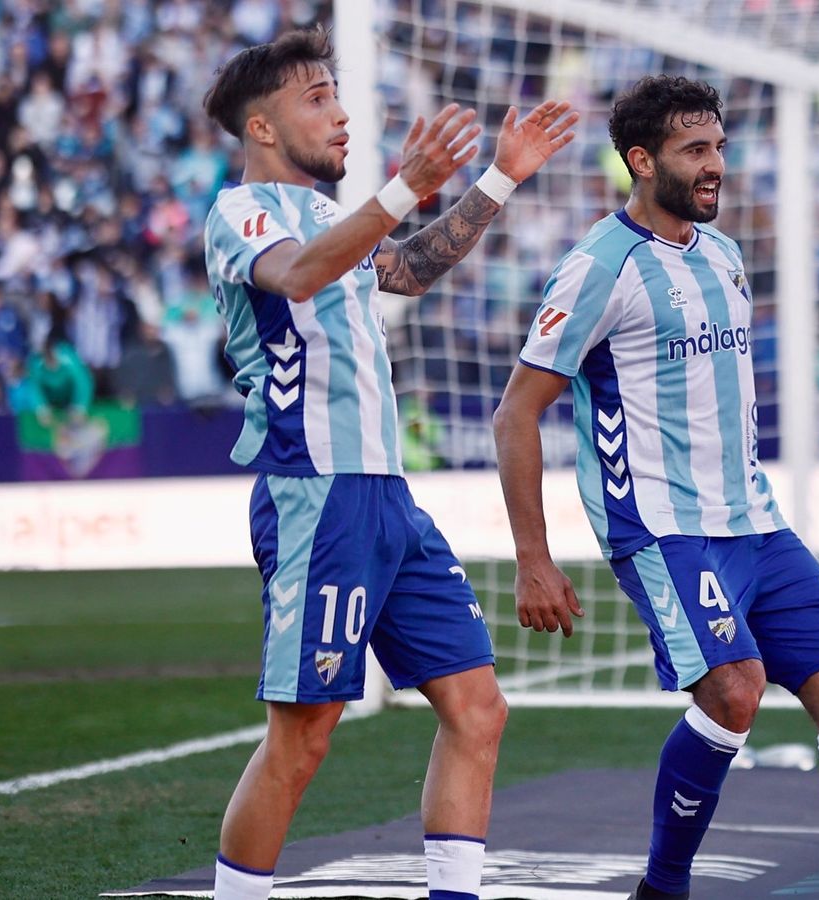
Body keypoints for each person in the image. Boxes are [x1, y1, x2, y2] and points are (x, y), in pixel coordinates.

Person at [492, 75, 819, 900]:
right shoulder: (596, 270)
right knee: (733, 688)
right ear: (641, 162)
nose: (716, 164)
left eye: (719, 146)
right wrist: (532, 557)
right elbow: (515, 414)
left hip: (755, 520)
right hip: (663, 526)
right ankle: (663, 888)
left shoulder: (721, 253)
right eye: (696, 151)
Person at [199, 28, 576, 900]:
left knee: (477, 709)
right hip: (315, 494)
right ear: (261, 128)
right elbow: (296, 278)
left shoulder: (338, 217)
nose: (340, 114)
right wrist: (406, 183)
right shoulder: (241, 212)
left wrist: (500, 176)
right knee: (304, 737)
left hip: (387, 498)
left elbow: (404, 269)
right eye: (317, 98)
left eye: (338, 93)